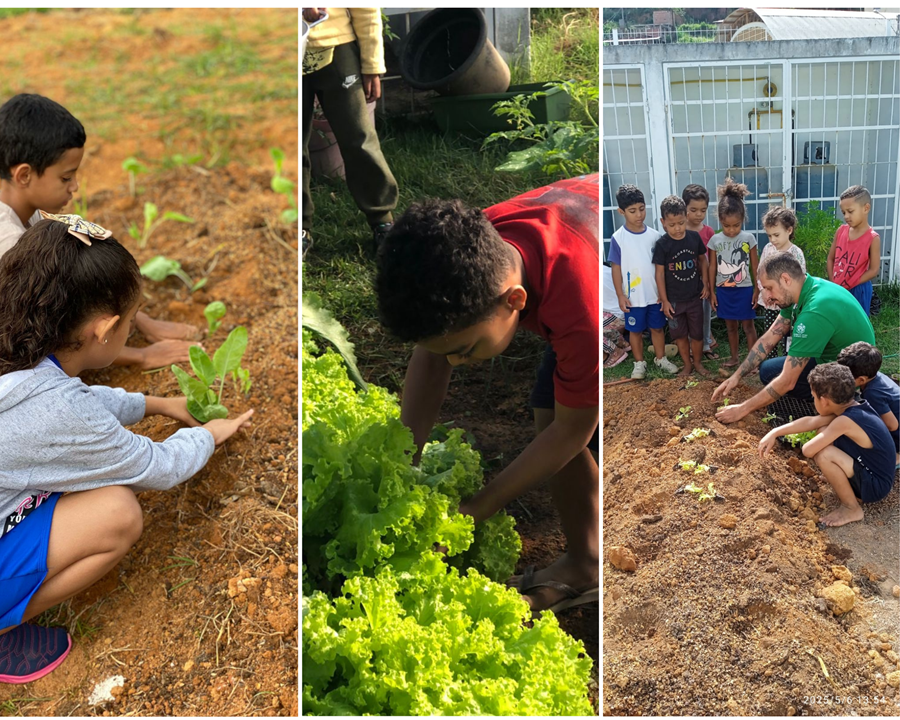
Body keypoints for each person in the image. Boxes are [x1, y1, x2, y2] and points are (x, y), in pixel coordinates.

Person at [0, 216, 253, 683]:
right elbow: (154, 466)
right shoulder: (55, 409)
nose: (131, 330)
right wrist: (209, 434)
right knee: (117, 512)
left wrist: (153, 403)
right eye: (131, 324)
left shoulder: (19, 348)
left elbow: (68, 404)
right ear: (105, 329)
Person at [376, 175, 599, 613]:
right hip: (572, 247)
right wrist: (404, 461)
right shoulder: (474, 243)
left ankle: (585, 562)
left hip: (594, 288)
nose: (456, 364)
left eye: (465, 351)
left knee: (552, 419)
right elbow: (433, 352)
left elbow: (572, 429)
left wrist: (474, 509)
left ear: (514, 301)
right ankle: (584, 557)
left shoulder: (578, 310)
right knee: (546, 407)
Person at [0, 93, 198, 370]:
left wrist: (142, 322)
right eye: (66, 178)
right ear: (23, 175)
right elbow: (49, 336)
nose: (75, 187)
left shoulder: (23, 206)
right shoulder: (8, 244)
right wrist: (141, 356)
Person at [713, 252, 875, 424]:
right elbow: (769, 338)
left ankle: (838, 404)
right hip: (829, 358)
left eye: (769, 288)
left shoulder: (814, 311)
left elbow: (787, 381)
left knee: (785, 381)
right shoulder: (801, 291)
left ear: (785, 279)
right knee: (768, 370)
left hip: (852, 372)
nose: (767, 297)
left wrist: (741, 409)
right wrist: (737, 375)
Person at [302, 7, 398, 253]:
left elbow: (365, 8)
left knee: (358, 139)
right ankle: (297, 228)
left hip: (337, 49)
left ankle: (382, 221)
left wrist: (371, 64)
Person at [759, 363, 894, 527]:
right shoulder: (850, 408)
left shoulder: (845, 421)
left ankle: (851, 507)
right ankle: (843, 481)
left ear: (823, 401)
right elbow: (812, 421)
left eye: (813, 396)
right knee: (823, 430)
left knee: (824, 454)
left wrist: (818, 439)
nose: (814, 400)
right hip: (872, 471)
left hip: (876, 485)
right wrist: (774, 432)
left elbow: (808, 450)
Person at [608, 184, 678, 379]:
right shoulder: (618, 239)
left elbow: (661, 268)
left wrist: (663, 295)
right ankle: (639, 363)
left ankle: (660, 358)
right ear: (621, 212)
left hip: (654, 295)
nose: (638, 215)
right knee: (635, 331)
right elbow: (616, 269)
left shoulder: (655, 236)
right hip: (633, 298)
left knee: (657, 327)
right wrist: (620, 295)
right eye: (632, 211)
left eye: (642, 209)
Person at [652, 194, 710, 377]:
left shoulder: (694, 238)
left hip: (694, 297)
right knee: (680, 335)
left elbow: (703, 260)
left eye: (681, 223)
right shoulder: (662, 245)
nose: (677, 229)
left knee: (698, 334)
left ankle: (699, 363)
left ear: (685, 217)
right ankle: (687, 365)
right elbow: (659, 273)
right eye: (672, 225)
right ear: (663, 222)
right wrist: (665, 300)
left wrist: (706, 284)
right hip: (674, 302)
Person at [708, 179, 759, 368]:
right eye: (727, 225)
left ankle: (752, 361)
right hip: (724, 291)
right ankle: (735, 358)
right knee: (731, 327)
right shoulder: (715, 240)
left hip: (745, 290)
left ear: (743, 219)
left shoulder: (749, 238)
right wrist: (712, 291)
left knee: (748, 326)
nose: (731, 230)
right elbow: (712, 267)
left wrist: (757, 289)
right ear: (720, 220)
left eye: (736, 225)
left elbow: (755, 266)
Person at [836, 341, 900, 465]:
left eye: (846, 377)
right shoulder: (876, 376)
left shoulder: (873, 393)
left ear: (861, 379)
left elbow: (892, 425)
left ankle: (895, 455)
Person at [758, 206, 806, 359]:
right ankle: (769, 364)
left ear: (789, 230)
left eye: (776, 235)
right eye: (769, 235)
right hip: (771, 305)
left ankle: (786, 363)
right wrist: (764, 290)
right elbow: (761, 273)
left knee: (789, 338)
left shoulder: (796, 253)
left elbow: (801, 279)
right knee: (770, 335)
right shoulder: (768, 249)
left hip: (790, 307)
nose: (773, 240)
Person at [827, 185, 881, 316]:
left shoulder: (873, 238)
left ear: (866, 208)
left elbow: (874, 270)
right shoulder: (840, 231)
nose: (846, 216)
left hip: (859, 290)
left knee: (856, 325)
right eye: (844, 212)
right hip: (838, 288)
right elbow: (830, 258)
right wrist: (833, 283)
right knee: (838, 322)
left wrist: (852, 282)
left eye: (850, 211)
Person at [682, 183, 718, 360]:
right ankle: (690, 345)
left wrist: (710, 282)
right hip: (684, 282)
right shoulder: (679, 230)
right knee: (688, 314)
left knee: (704, 314)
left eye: (702, 210)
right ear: (684, 208)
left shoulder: (709, 232)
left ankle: (705, 344)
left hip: (704, 281)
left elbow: (712, 260)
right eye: (693, 210)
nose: (698, 214)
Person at [602, 264, 629, 368]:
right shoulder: (606, 269)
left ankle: (615, 353)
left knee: (587, 330)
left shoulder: (589, 277)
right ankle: (622, 343)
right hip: (627, 310)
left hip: (618, 313)